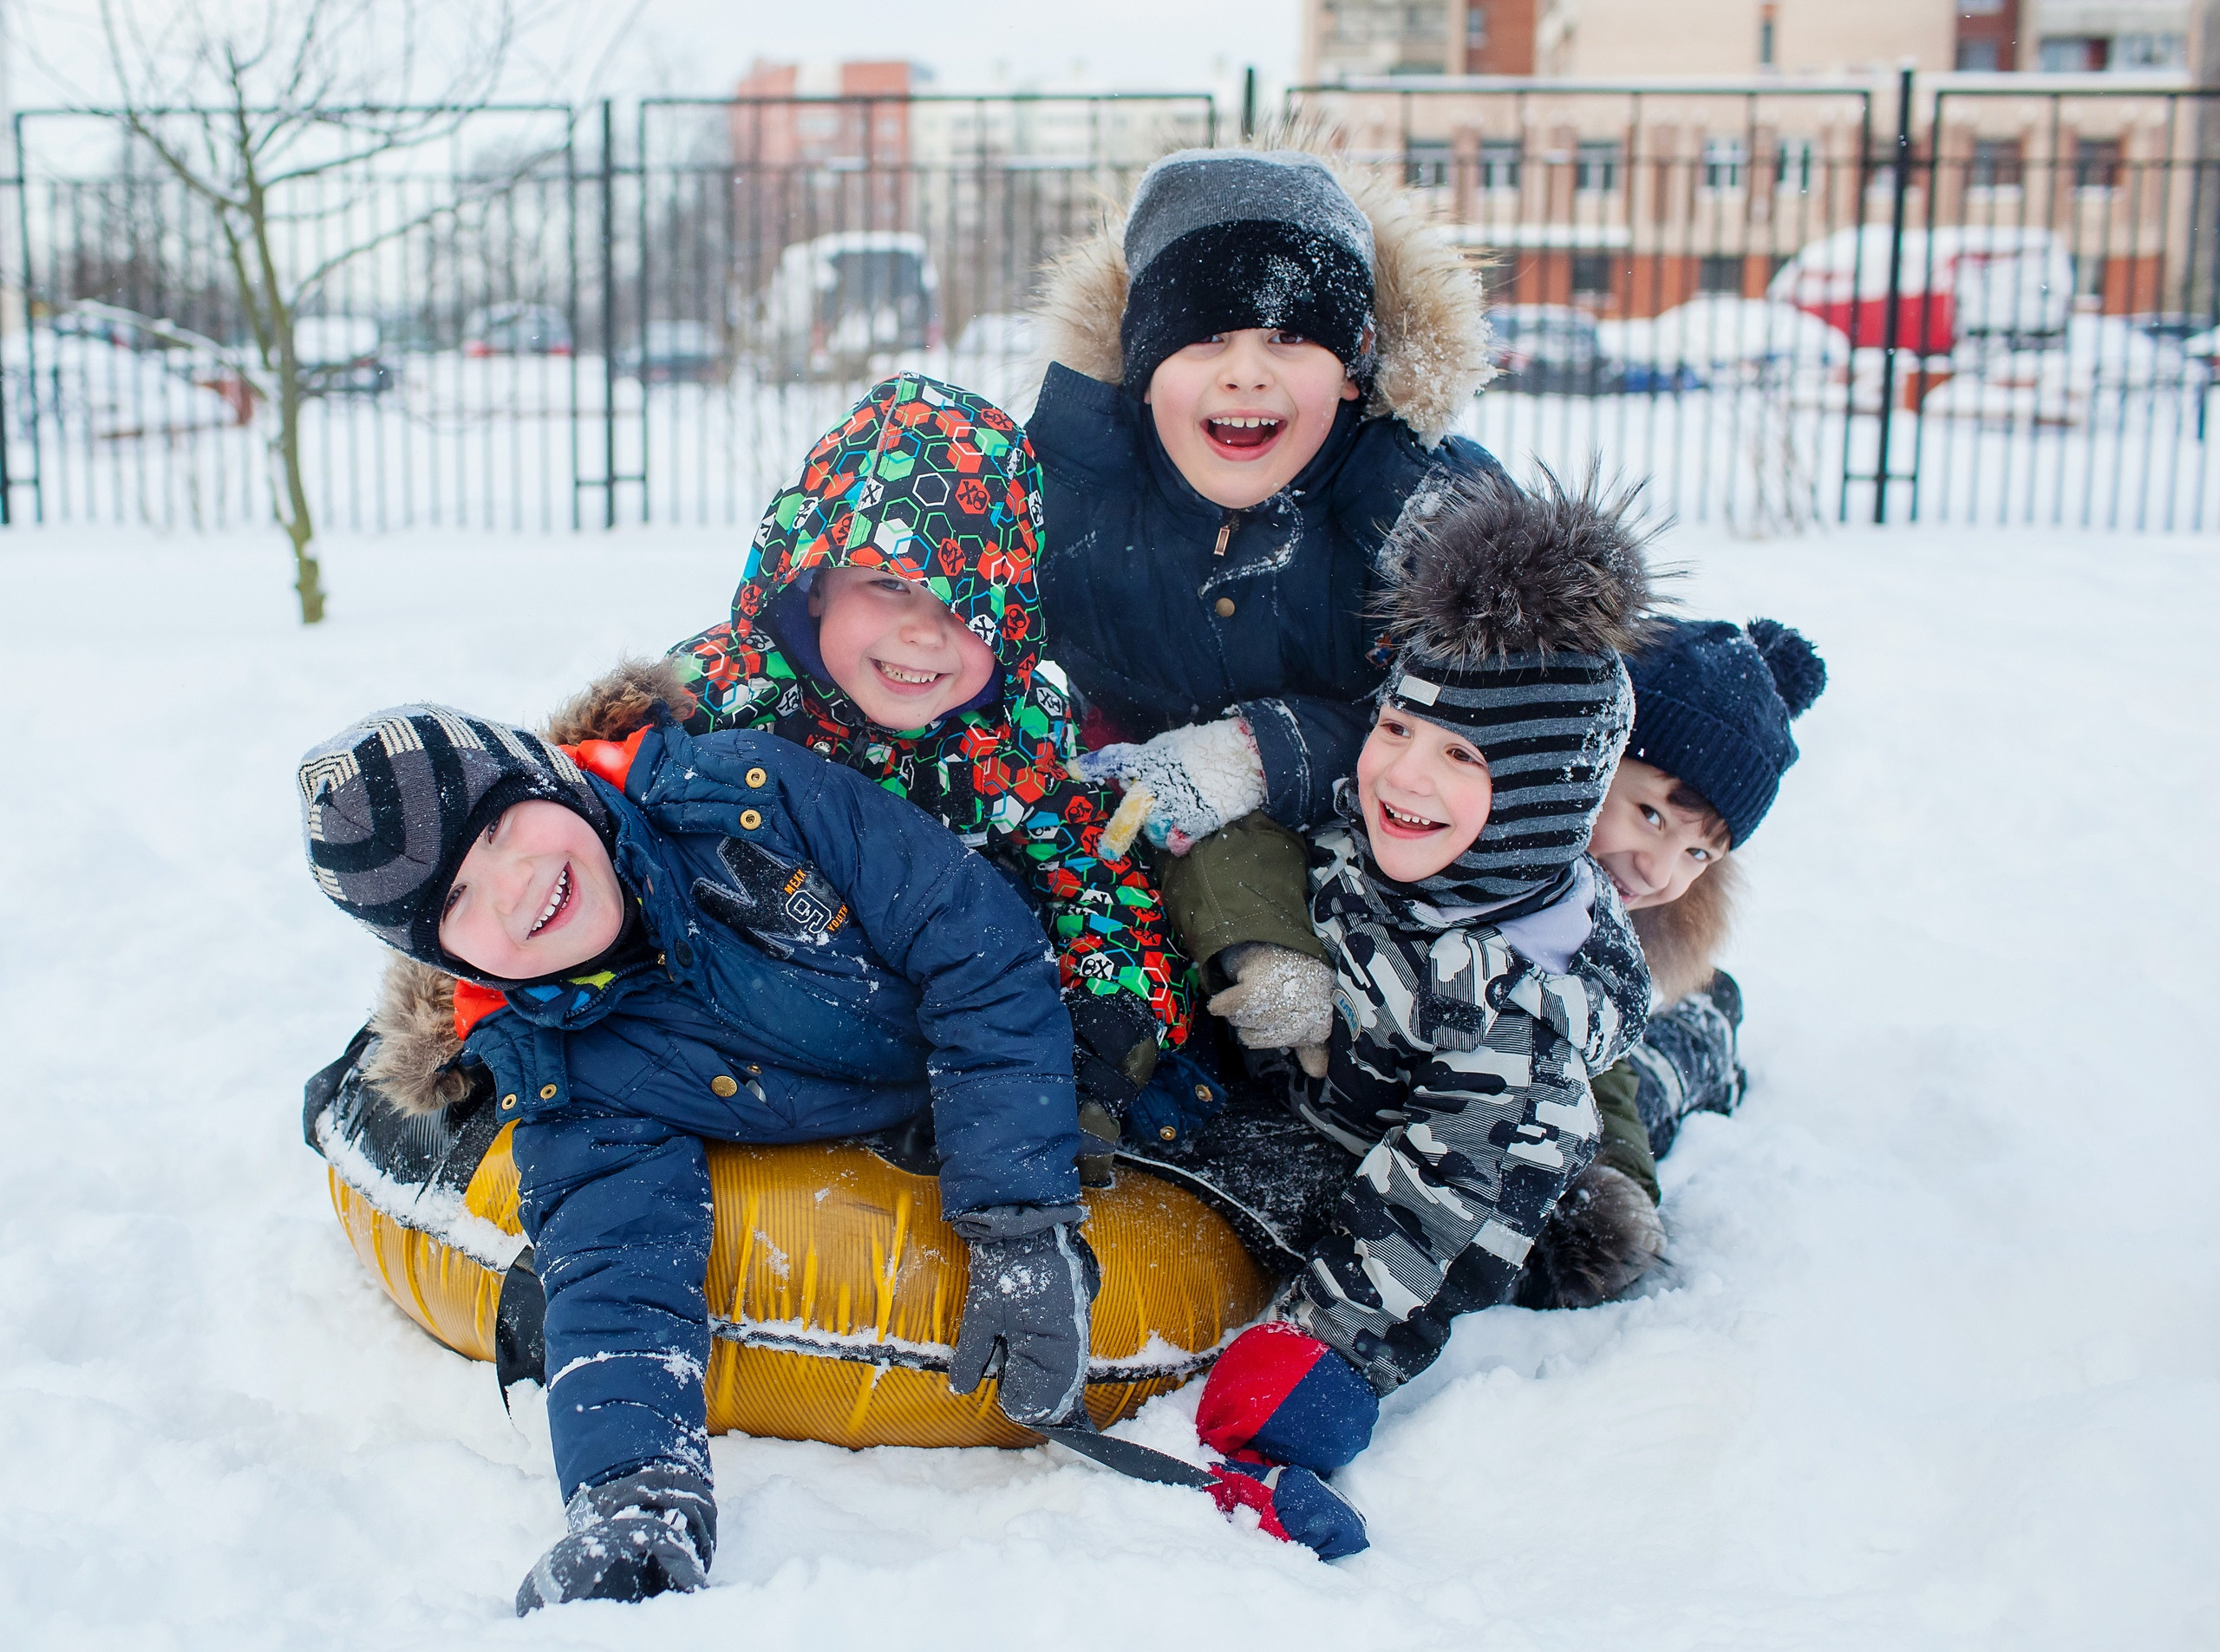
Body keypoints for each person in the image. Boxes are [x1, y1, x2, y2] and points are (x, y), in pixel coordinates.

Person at [296, 692, 1096, 1613]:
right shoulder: (564, 1067)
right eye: (456, 901)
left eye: (500, 826)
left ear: (554, 779)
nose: (513, 885)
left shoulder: (744, 799)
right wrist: (635, 1502)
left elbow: (976, 946)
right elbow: (615, 1269)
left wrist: (1017, 1223)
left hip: (1064, 983)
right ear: (447, 958)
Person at [1172, 471, 1658, 1557]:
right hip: (1332, 1108)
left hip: (1482, 1190)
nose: (1404, 773)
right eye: (1397, 726)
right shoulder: (1371, 841)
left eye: (1462, 757)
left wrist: (1312, 1361)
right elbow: (1240, 852)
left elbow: (1431, 1216)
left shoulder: (1513, 1018)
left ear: (1536, 800)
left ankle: (1702, 1032)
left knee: (1645, 1089)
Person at [666, 373, 1190, 1148]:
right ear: (814, 583)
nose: (923, 631)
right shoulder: (719, 694)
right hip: (735, 1028)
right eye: (888, 583)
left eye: (970, 603)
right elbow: (596, 819)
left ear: (1013, 618)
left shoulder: (1022, 736)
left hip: (949, 1043)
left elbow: (1100, 874)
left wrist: (1108, 1017)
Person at [1025, 144, 1502, 852]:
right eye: (1205, 336)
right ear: (1144, 372)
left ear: (1352, 370)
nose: (1245, 373)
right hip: (1119, 836)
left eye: (1289, 336)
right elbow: (949, 635)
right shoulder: (1076, 491)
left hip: (1374, 860)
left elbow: (1496, 727)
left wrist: (1255, 755)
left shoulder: (1427, 515)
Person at [1513, 614, 1827, 1306]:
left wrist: (1619, 1175)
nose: (1659, 871)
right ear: (1590, 753)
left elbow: (1601, 1065)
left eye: (1698, 853)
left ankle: (1702, 1030)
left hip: (1591, 1072)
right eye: (1651, 814)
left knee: (1645, 1085)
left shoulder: (1607, 914)